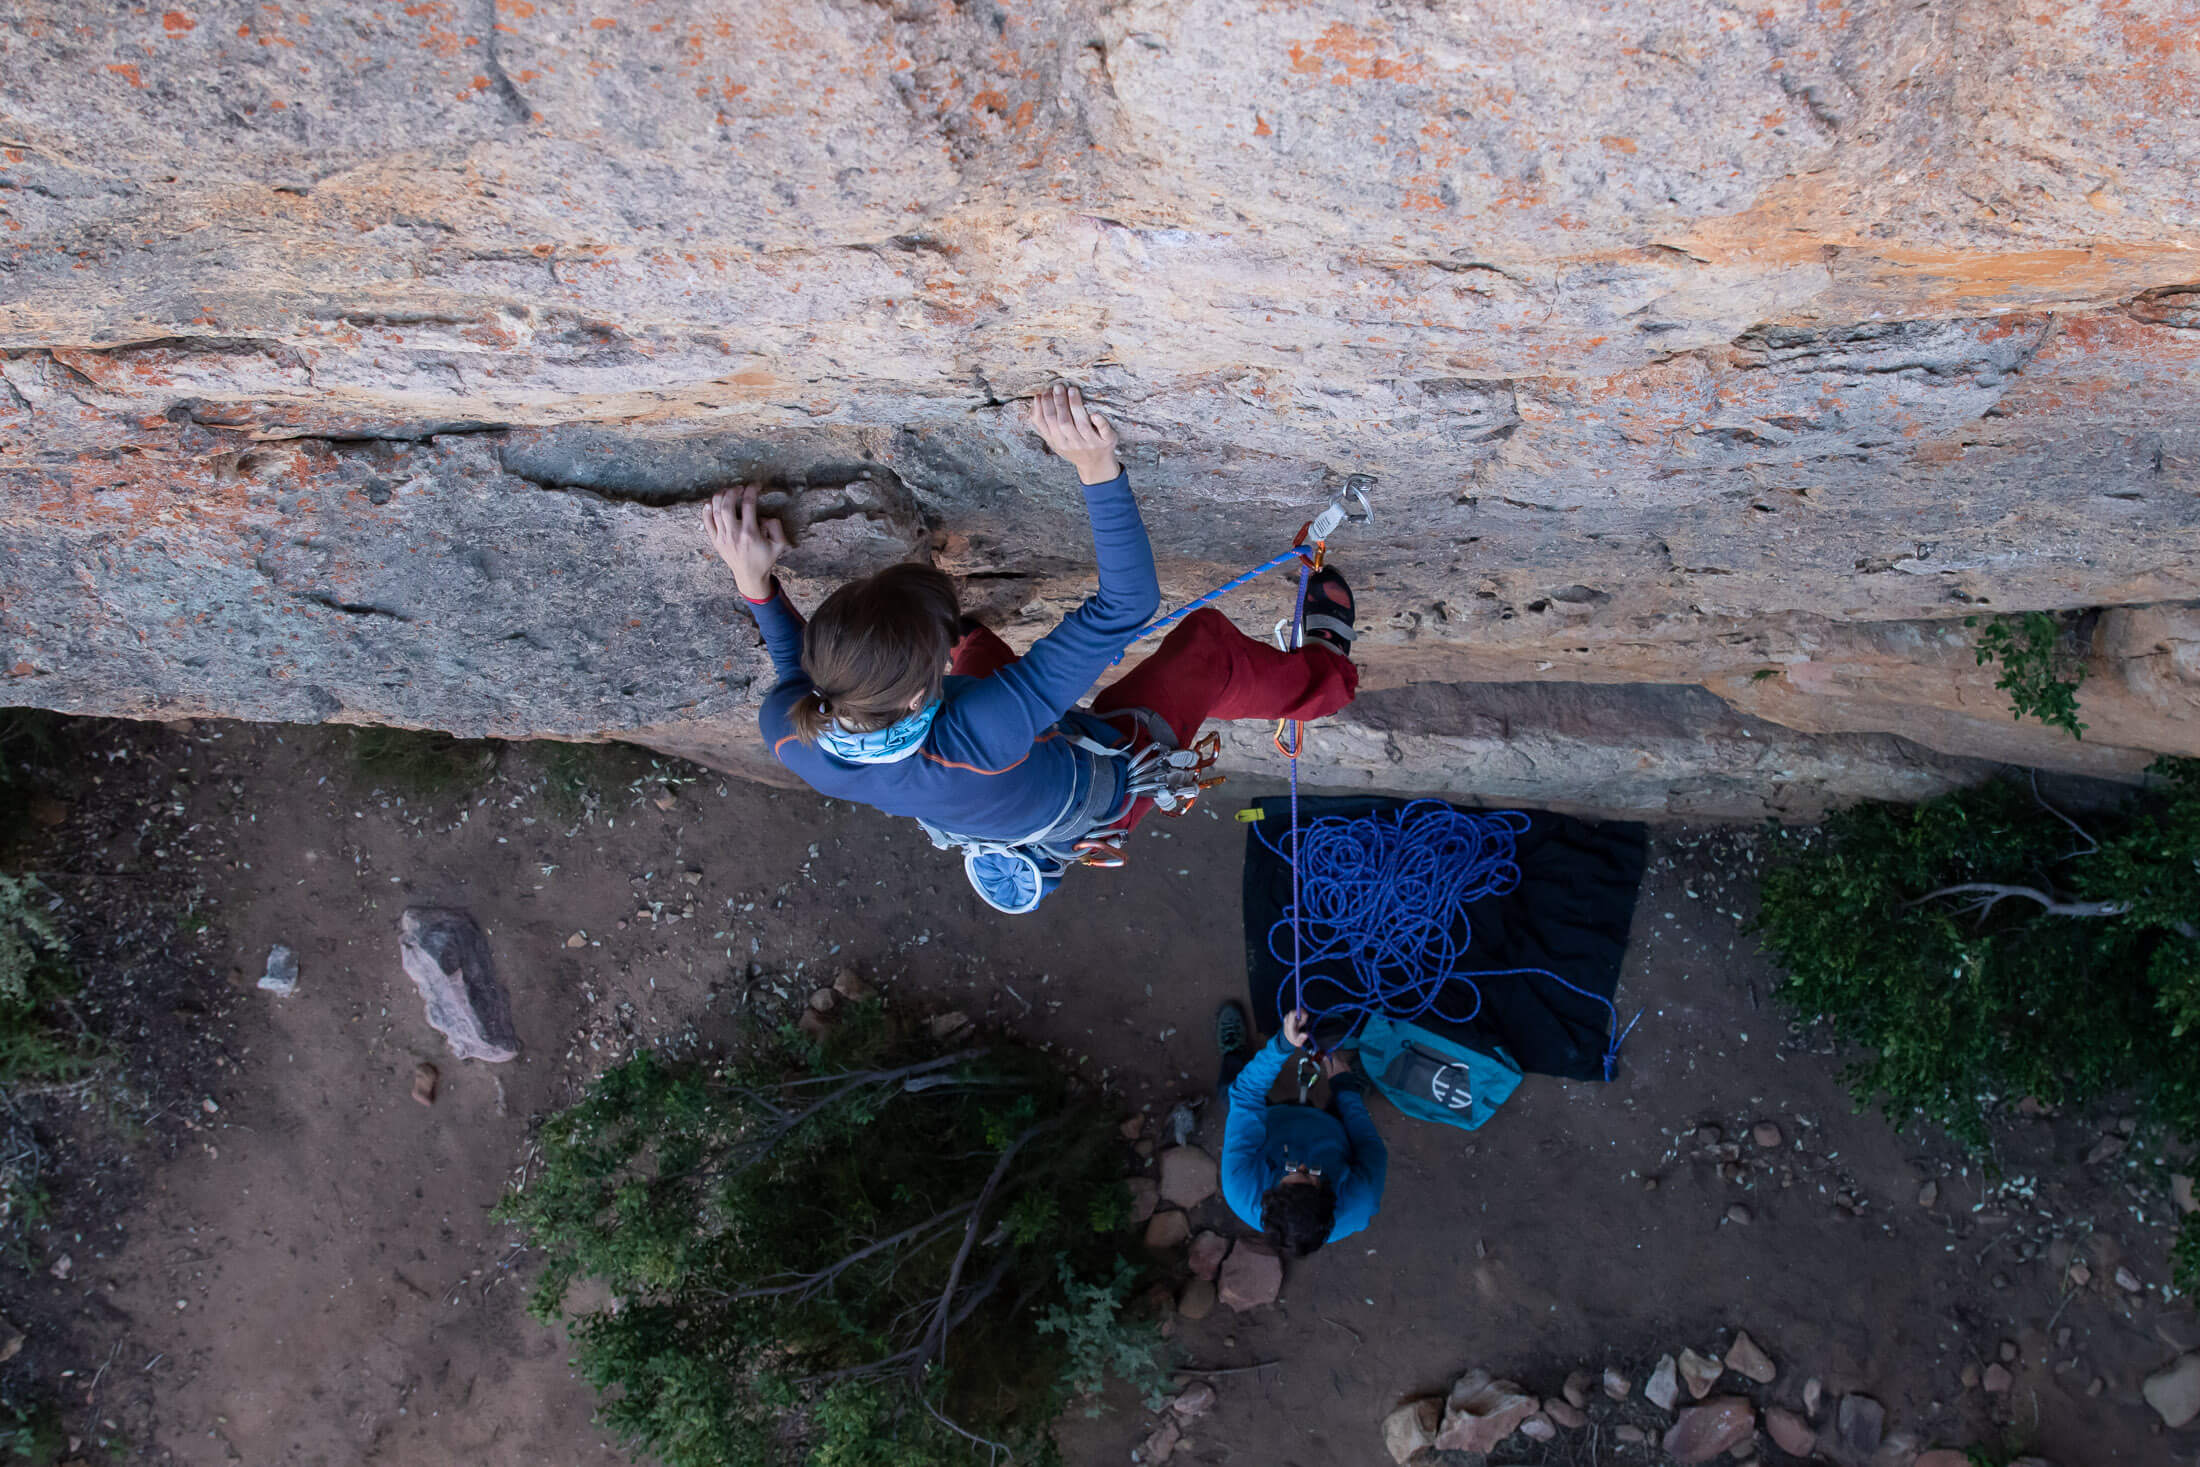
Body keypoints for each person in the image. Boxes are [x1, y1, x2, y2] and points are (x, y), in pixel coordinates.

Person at [701, 383, 1361, 914]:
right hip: (1098, 782)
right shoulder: (985, 724)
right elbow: (1127, 604)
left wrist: (754, 582)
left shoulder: (792, 732)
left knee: (974, 642)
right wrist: (1095, 467)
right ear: (915, 695)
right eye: (933, 650)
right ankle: (1328, 679)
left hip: (994, 784)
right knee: (1208, 647)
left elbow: (794, 674)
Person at [1215, 1002, 1388, 1255]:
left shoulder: (1241, 1185)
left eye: (1293, 1170)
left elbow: (1246, 1097)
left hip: (1273, 1121)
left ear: (1270, 1193)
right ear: (1331, 1199)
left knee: (1230, 1092)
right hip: (1331, 1129)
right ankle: (1353, 1082)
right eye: (1313, 1174)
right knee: (1350, 1104)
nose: (1303, 1164)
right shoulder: (1359, 1202)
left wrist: (1282, 1046)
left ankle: (1234, 1053)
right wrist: (1346, 1090)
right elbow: (1369, 1147)